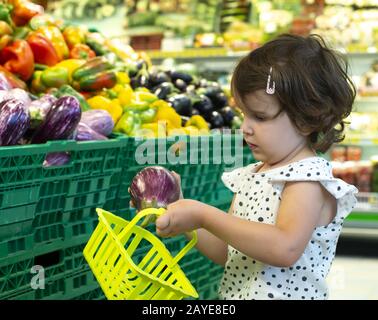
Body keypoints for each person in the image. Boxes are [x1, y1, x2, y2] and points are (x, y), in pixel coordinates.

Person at [155, 34, 358, 300]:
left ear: (307, 119)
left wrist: (204, 215)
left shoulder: (305, 179)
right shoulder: (253, 175)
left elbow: (284, 248)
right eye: (243, 114)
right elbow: (226, 252)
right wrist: (187, 216)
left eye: (260, 117)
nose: (246, 127)